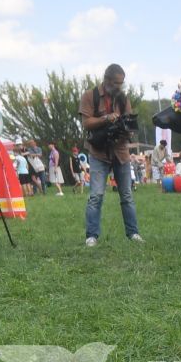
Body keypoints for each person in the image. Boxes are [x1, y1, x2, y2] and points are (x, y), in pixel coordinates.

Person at [79, 62, 142, 246]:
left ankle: (133, 233)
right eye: (116, 83)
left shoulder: (123, 98)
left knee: (127, 195)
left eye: (121, 83)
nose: (119, 87)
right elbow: (86, 123)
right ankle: (92, 236)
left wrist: (128, 128)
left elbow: (129, 120)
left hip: (121, 151)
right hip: (99, 152)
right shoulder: (90, 96)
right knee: (96, 195)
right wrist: (106, 118)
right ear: (106, 80)